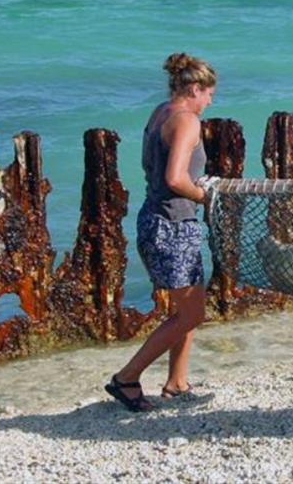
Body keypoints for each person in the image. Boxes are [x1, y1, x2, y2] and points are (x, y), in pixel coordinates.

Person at [105, 52, 217, 412]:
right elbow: (175, 178)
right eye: (209, 94)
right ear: (195, 88)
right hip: (173, 226)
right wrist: (206, 197)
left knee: (189, 307)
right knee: (191, 314)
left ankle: (176, 383)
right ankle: (126, 378)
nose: (211, 101)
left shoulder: (161, 112)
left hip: (155, 219)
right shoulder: (187, 121)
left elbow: (157, 172)